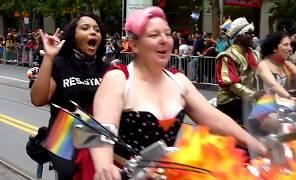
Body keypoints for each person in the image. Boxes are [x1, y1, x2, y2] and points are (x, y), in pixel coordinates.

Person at [88, 7, 266, 180]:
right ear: (134, 45)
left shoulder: (178, 80)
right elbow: (102, 130)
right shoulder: (118, 78)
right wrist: (104, 166)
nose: (164, 39)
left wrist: (256, 145)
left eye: (167, 33)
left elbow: (217, 120)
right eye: (154, 35)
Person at [30, 13, 108, 180]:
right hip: (64, 136)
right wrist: (49, 58)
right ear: (74, 36)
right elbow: (38, 100)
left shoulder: (106, 69)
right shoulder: (60, 64)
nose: (93, 32)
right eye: (85, 28)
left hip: (98, 134)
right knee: (70, 173)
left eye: (97, 29)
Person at [216, 17, 261, 126]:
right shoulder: (227, 56)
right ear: (239, 36)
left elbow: (261, 76)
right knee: (254, 122)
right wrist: (255, 95)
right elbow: (232, 85)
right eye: (248, 33)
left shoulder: (255, 54)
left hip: (248, 98)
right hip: (230, 100)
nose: (252, 36)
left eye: (252, 33)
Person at [257, 31, 296, 100]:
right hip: (264, 107)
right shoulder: (263, 64)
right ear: (274, 48)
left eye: (290, 45)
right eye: (285, 45)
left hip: (283, 106)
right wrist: (290, 97)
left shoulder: (288, 64)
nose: (290, 49)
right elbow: (273, 85)